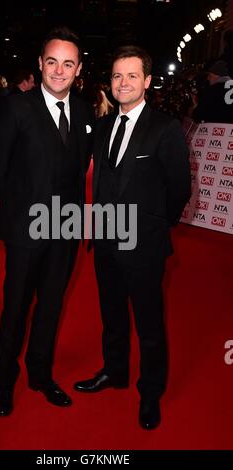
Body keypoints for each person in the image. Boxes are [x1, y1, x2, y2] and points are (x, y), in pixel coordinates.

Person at [74, 45, 191, 430]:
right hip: (105, 241)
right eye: (116, 75)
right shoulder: (104, 125)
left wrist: (154, 229)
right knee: (112, 316)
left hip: (144, 246)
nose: (123, 83)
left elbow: (179, 189)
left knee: (149, 324)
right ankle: (115, 371)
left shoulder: (165, 127)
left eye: (131, 75)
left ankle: (151, 391)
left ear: (147, 81)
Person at [0, 26, 94, 417]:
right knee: (15, 307)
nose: (60, 71)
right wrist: (23, 214)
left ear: (78, 68)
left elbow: (79, 166)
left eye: (68, 64)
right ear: (40, 64)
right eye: (52, 62)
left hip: (65, 230)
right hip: (26, 229)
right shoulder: (17, 107)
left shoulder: (83, 111)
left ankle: (40, 374)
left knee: (50, 306)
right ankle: (4, 381)